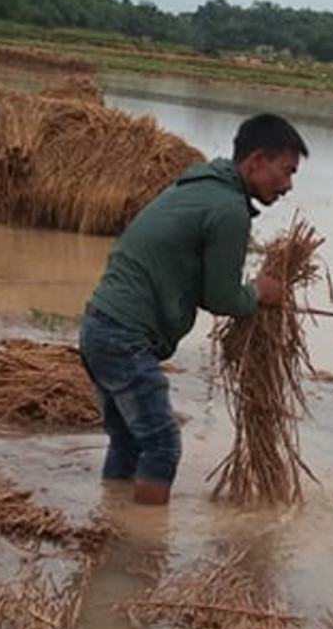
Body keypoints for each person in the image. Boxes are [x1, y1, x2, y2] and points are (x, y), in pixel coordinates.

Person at [78, 113, 309, 506]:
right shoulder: (229, 209)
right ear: (255, 161)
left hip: (98, 325)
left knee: (130, 441)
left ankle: (114, 521)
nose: (288, 185)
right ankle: (143, 547)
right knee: (162, 446)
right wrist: (258, 292)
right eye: (285, 172)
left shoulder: (199, 183)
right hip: (124, 337)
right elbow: (221, 299)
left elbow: (203, 286)